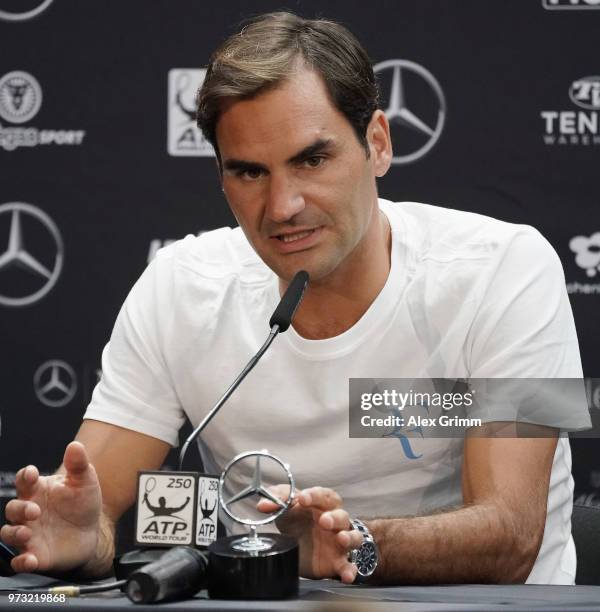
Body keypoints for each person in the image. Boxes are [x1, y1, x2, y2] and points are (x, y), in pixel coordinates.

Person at [0, 12, 588, 585]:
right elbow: (93, 505)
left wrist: (351, 545)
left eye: (312, 159)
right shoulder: (180, 285)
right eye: (250, 173)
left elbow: (512, 537)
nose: (282, 206)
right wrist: (84, 540)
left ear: (377, 144)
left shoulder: (509, 268)